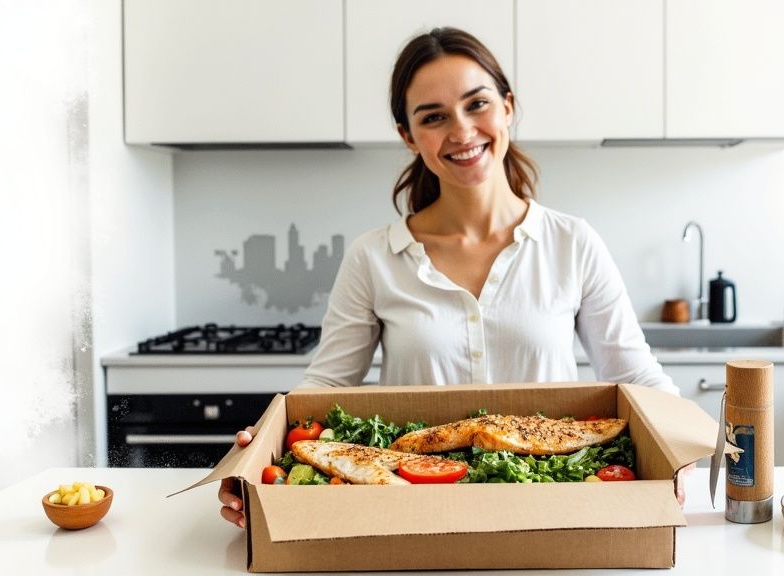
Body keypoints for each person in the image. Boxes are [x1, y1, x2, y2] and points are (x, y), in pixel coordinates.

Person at [218, 27, 687, 529]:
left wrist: (678, 446)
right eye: (434, 117)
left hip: (550, 509)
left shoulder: (572, 243)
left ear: (507, 107)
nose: (462, 131)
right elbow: (325, 386)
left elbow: (636, 376)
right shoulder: (374, 257)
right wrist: (262, 444)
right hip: (411, 511)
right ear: (408, 136)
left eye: (476, 104)